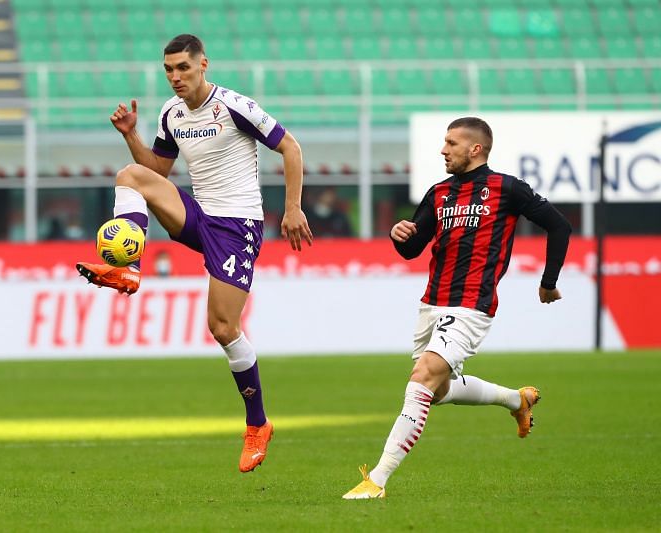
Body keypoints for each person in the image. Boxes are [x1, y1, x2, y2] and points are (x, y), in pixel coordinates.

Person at [75, 34, 313, 473]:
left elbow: (290, 147)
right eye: (168, 70)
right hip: (199, 214)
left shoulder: (234, 106)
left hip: (237, 226)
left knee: (222, 327)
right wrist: (131, 136)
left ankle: (257, 424)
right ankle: (126, 269)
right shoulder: (171, 113)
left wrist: (293, 207)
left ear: (204, 64)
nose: (175, 77)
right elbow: (158, 172)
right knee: (130, 175)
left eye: (183, 67)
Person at [342, 117, 572, 499]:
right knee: (437, 389)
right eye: (444, 142)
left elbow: (559, 226)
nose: (443, 149)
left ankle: (376, 481)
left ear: (475, 149)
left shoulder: (506, 188)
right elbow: (413, 248)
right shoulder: (439, 193)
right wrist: (399, 236)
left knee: (422, 378)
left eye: (451, 143)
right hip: (432, 301)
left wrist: (548, 282)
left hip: (472, 304)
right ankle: (517, 400)